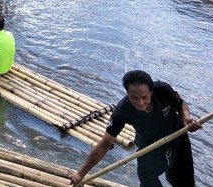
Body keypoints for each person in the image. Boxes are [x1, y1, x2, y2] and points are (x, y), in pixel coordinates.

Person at [70, 70, 202, 187]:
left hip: (177, 139)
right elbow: (105, 144)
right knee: (147, 180)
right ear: (127, 93)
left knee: (184, 182)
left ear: (151, 91)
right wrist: (81, 173)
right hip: (150, 147)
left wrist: (186, 119)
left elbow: (181, 104)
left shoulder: (162, 90)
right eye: (134, 97)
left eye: (144, 97)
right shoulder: (122, 111)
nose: (140, 103)